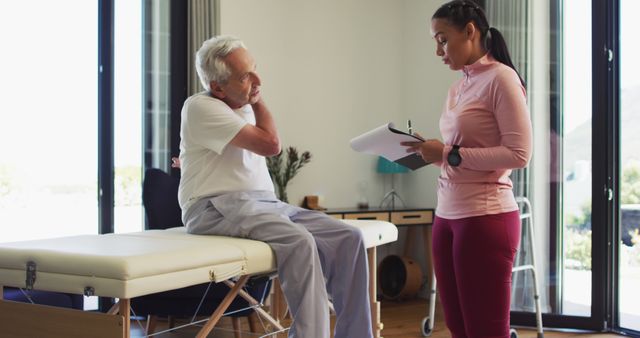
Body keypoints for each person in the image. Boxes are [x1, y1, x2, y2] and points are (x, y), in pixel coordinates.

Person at [177, 35, 373, 338]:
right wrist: (258, 98)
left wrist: (249, 95)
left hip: (264, 203)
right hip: (215, 207)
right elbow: (271, 145)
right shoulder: (201, 106)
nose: (257, 80)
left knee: (348, 237)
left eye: (255, 69)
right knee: (299, 241)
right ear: (217, 86)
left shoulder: (242, 104)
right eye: (245, 76)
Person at [402, 1, 533, 337]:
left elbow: (519, 154)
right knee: (459, 329)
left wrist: (448, 153)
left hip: (484, 217)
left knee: (486, 331)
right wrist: (429, 151)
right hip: (446, 216)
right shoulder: (458, 88)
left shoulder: (502, 79)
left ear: (470, 32)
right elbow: (455, 152)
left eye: (442, 39)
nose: (437, 50)